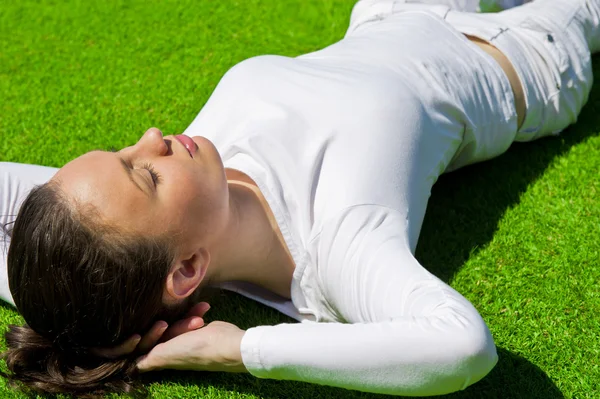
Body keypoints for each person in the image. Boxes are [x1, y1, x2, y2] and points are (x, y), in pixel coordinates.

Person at [1, 0, 598, 396]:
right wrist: (243, 349)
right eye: (145, 175)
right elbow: (463, 347)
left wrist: (71, 325)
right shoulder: (339, 242)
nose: (151, 139)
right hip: (528, 54)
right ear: (186, 269)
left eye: (124, 153)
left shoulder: (140, 208)